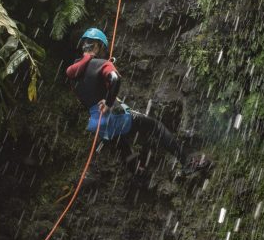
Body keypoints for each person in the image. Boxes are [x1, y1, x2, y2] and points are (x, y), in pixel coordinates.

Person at [66, 27, 211, 177]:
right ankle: (187, 163)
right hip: (114, 115)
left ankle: (138, 174)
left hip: (97, 123)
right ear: (97, 46)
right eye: (103, 48)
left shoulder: (72, 72)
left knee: (121, 143)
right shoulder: (101, 64)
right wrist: (108, 103)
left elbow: (84, 96)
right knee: (155, 126)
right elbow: (115, 78)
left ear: (84, 45)